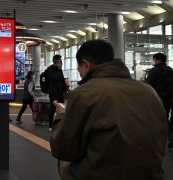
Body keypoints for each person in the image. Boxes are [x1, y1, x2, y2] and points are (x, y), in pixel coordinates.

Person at [50, 40, 167, 180]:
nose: (79, 72)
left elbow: (63, 149)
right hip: (151, 175)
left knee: (65, 162)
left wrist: (61, 116)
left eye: (79, 68)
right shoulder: (149, 91)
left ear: (86, 64)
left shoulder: (85, 93)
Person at [145, 52, 173, 148]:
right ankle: (169, 137)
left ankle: (164, 138)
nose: (154, 61)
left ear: (158, 60)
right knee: (165, 117)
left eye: (154, 59)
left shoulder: (154, 70)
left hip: (157, 99)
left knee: (158, 118)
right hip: (169, 99)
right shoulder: (170, 70)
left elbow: (148, 85)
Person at [46, 54, 67, 130]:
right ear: (56, 62)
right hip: (53, 93)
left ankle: (61, 124)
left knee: (62, 107)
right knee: (53, 109)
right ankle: (50, 125)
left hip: (60, 92)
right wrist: (58, 68)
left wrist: (65, 89)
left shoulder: (60, 70)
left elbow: (61, 80)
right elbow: (53, 78)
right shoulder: (50, 70)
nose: (61, 63)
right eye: (60, 61)